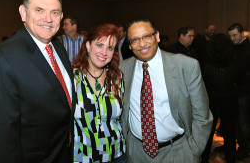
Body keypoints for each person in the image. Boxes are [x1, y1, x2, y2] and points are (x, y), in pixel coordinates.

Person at [0, 0, 75, 163]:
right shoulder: (2, 58)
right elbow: (1, 136)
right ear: (23, 12)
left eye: (55, 12)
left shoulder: (58, 48)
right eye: (39, 10)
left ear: (61, 17)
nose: (48, 18)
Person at [119, 18, 213, 163]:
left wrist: (194, 150)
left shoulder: (186, 66)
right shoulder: (122, 69)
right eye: (135, 40)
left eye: (146, 36)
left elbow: (202, 115)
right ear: (130, 46)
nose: (142, 44)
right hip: (136, 153)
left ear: (157, 36)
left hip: (177, 152)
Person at [72, 24, 127, 163]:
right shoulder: (72, 78)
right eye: (99, 45)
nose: (104, 53)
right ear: (88, 46)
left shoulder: (117, 78)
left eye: (110, 48)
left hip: (116, 155)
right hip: (83, 156)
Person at [200, 33, 238, 163]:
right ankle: (231, 158)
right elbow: (239, 80)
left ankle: (204, 159)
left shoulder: (205, 64)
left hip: (211, 101)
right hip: (229, 101)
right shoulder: (233, 63)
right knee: (230, 133)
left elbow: (203, 83)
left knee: (208, 133)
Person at [227, 23, 250, 161]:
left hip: (245, 91)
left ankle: (245, 148)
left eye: (235, 35)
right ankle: (239, 144)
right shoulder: (232, 47)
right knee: (235, 122)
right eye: (230, 36)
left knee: (244, 122)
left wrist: (238, 78)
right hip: (233, 91)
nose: (232, 38)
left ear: (242, 34)